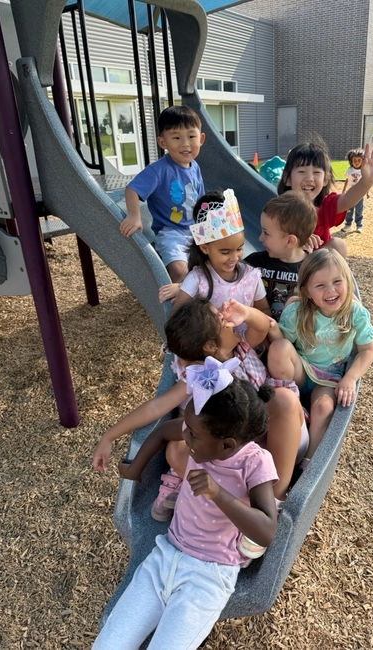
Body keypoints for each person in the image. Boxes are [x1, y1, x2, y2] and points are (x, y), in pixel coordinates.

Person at [92, 368, 278, 650]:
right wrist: (136, 469)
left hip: (209, 576)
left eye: (192, 435)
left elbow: (266, 530)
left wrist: (218, 493)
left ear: (226, 445)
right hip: (165, 556)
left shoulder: (255, 462)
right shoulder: (198, 430)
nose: (185, 438)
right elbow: (163, 432)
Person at [116, 298, 307, 514]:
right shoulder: (201, 375)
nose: (226, 316)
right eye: (219, 316)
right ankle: (235, 501)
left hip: (282, 440)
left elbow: (263, 325)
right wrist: (110, 436)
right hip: (240, 451)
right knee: (175, 450)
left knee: (283, 399)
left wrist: (245, 312)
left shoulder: (243, 345)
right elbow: (156, 407)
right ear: (210, 346)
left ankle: (274, 498)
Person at [267, 249, 373, 466]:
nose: (331, 290)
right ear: (307, 291)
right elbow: (283, 341)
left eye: (337, 281)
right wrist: (269, 325)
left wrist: (350, 378)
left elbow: (368, 350)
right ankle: (289, 404)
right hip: (300, 372)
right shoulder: (298, 311)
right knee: (279, 347)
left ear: (347, 280)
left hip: (328, 377)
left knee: (324, 408)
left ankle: (308, 463)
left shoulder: (354, 312)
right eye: (320, 285)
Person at [120, 105, 206, 282]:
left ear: (201, 138)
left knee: (222, 260)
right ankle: (183, 305)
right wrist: (134, 216)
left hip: (196, 230)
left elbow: (201, 201)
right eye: (176, 137)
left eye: (191, 136)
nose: (185, 144)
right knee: (180, 272)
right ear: (163, 142)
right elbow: (132, 189)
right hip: (171, 233)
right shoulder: (159, 170)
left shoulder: (195, 167)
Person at [159, 189, 270, 314]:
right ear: (205, 248)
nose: (234, 257)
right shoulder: (197, 280)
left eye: (239, 249)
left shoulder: (250, 276)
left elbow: (264, 310)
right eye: (225, 252)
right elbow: (177, 318)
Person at [277, 141, 373, 257]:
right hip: (288, 268)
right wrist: (298, 240)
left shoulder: (325, 206)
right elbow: (270, 239)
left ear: (325, 179)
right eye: (301, 171)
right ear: (287, 178)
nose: (309, 178)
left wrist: (366, 182)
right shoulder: (279, 210)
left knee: (337, 244)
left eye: (316, 172)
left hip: (317, 268)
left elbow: (347, 200)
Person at [245, 191, 316, 320]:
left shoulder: (313, 269)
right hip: (258, 331)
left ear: (290, 241)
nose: (260, 238)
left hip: (295, 336)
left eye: (266, 233)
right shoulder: (255, 262)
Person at [341, 148, 368, 233]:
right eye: (354, 160)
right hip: (350, 194)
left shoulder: (364, 170)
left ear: (363, 161)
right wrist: (344, 190)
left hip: (360, 195)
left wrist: (367, 192)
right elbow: (347, 180)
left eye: (359, 160)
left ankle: (359, 226)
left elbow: (365, 182)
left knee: (359, 210)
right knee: (349, 210)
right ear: (351, 161)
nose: (356, 162)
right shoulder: (350, 170)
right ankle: (348, 225)